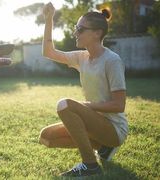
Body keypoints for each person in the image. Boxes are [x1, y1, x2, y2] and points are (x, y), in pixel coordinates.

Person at [39, 2, 128, 177]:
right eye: (76, 28)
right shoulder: (81, 58)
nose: (75, 32)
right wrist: (49, 19)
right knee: (46, 137)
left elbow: (119, 105)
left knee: (64, 105)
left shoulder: (112, 61)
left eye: (80, 29)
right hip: (94, 123)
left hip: (114, 130)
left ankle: (90, 164)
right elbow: (48, 52)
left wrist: (86, 106)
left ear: (97, 33)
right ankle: (104, 149)